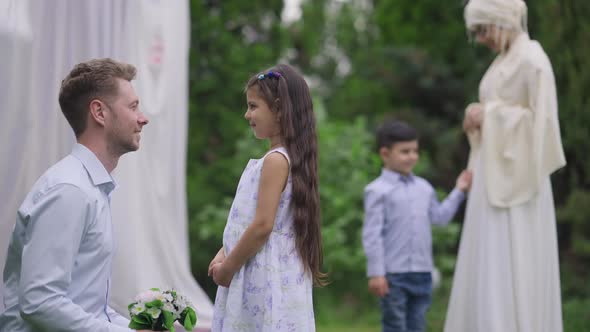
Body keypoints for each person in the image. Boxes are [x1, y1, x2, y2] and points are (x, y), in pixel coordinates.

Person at [0, 58, 154, 331]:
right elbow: (39, 301)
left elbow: (89, 308)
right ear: (99, 112)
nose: (143, 118)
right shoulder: (70, 191)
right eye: (133, 106)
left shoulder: (89, 188)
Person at [444, 1, 566, 331]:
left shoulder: (532, 59)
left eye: (483, 30)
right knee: (489, 257)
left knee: (514, 254)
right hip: (491, 175)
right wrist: (477, 114)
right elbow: (502, 108)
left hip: (518, 180)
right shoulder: (502, 61)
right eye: (477, 32)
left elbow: (543, 124)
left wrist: (493, 115)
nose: (481, 39)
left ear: (502, 21)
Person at [208, 64, 324, 332]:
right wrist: (224, 251)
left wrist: (229, 268)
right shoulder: (282, 160)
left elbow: (262, 226)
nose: (247, 114)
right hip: (267, 268)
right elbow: (247, 221)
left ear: (280, 109)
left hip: (263, 274)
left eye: (253, 106)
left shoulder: (275, 161)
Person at [362, 120, 472, 332]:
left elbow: (439, 217)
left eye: (415, 151)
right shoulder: (376, 191)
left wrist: (459, 191)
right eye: (405, 151)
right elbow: (372, 235)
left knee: (418, 326)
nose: (412, 156)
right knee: (395, 326)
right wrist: (376, 273)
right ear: (385, 154)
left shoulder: (424, 188)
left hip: (423, 272)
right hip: (393, 275)